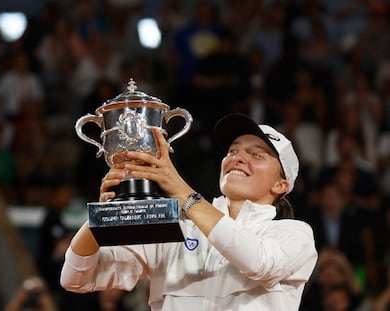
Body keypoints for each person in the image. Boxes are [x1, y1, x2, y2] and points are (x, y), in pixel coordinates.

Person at [60, 113, 318, 310]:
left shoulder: (293, 234)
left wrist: (183, 193)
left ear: (280, 185)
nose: (237, 158)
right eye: (233, 150)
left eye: (257, 155)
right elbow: (76, 278)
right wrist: (104, 216)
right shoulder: (177, 228)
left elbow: (259, 262)